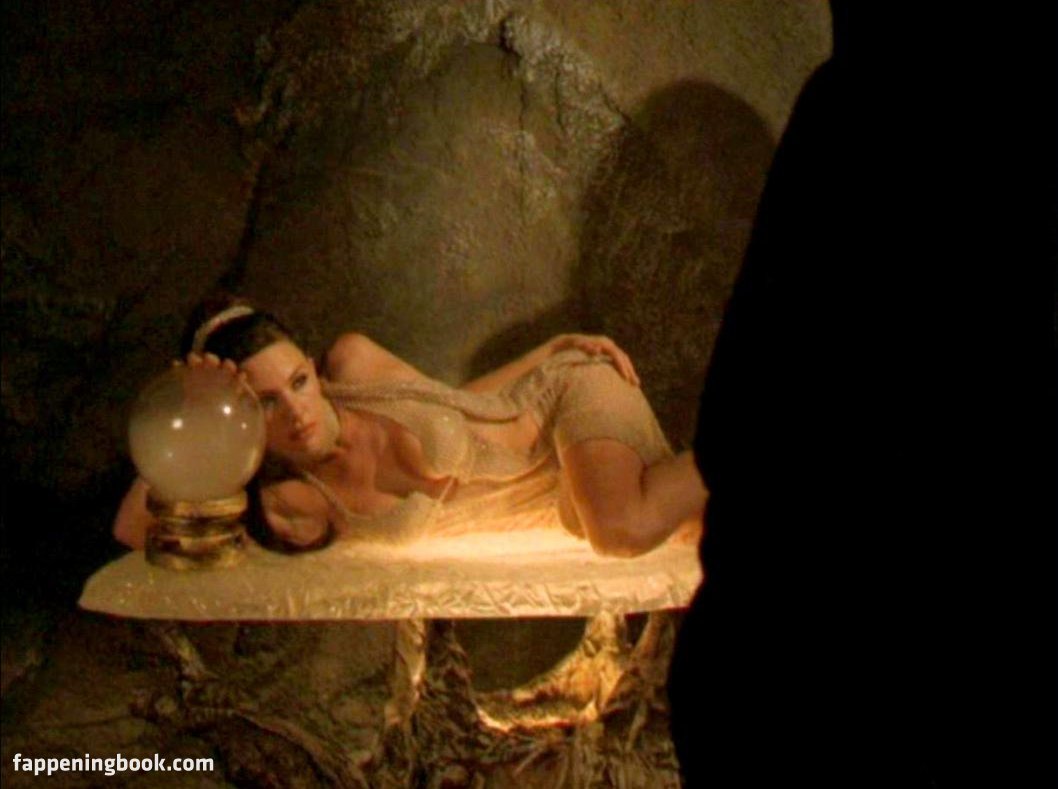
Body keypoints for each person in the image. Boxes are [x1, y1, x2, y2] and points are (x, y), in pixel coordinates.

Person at [113, 297, 707, 556]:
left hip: (563, 401)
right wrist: (197, 409)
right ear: (241, 421)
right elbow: (134, 528)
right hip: (557, 497)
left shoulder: (355, 365)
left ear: (314, 370)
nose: (297, 410)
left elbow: (458, 403)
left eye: (298, 381)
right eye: (266, 404)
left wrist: (553, 350)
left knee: (621, 530)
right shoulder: (294, 503)